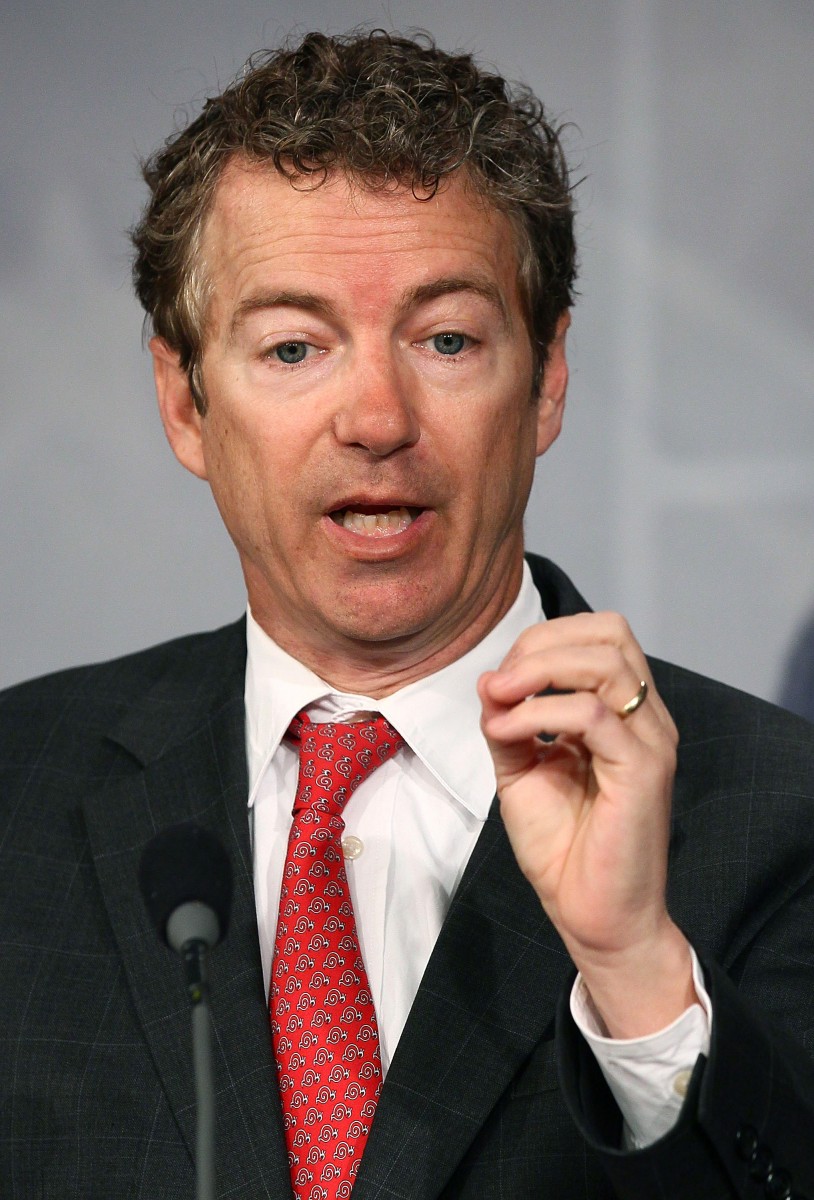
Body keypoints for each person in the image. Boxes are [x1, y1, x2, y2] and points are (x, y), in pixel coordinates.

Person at [1, 29, 812, 1200]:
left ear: (545, 383)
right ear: (184, 403)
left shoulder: (780, 812)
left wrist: (635, 968)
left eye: (446, 340)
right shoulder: (17, 793)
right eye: (293, 347)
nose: (376, 416)